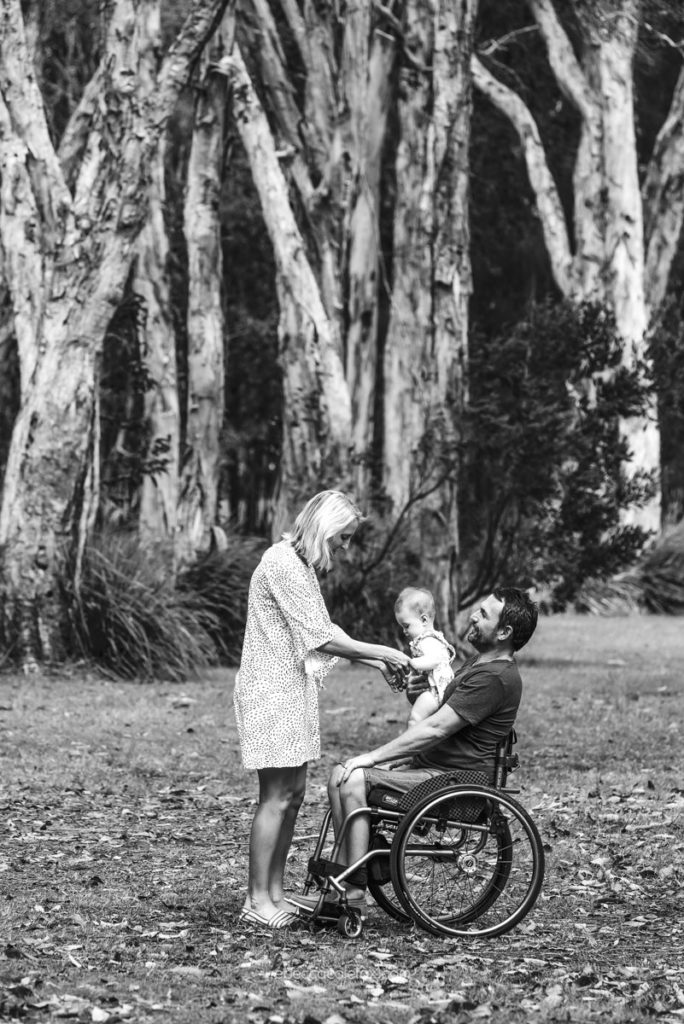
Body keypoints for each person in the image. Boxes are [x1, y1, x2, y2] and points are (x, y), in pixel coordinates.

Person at [287, 586, 538, 916]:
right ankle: (341, 884)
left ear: (504, 632)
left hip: (453, 783)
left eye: (484, 614)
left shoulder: (495, 677)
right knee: (339, 776)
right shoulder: (479, 665)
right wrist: (415, 696)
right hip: (434, 772)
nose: (474, 616)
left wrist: (374, 757)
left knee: (352, 779)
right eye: (478, 609)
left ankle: (352, 893)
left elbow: (436, 728)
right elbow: (440, 715)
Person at [233, 490, 410, 931]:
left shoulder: (300, 566)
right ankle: (256, 899)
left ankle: (274, 894)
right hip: (269, 692)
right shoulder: (281, 563)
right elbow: (320, 637)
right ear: (324, 527)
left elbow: (325, 627)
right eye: (344, 537)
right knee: (274, 798)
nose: (345, 547)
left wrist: (375, 661)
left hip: (290, 691)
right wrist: (386, 651)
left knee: (292, 797)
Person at [394, 586, 456, 727]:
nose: (404, 631)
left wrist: (412, 663)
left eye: (406, 625)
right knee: (427, 723)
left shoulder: (428, 640)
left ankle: (411, 746)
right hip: (434, 688)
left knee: (415, 719)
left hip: (436, 691)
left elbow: (434, 660)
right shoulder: (429, 639)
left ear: (424, 620)